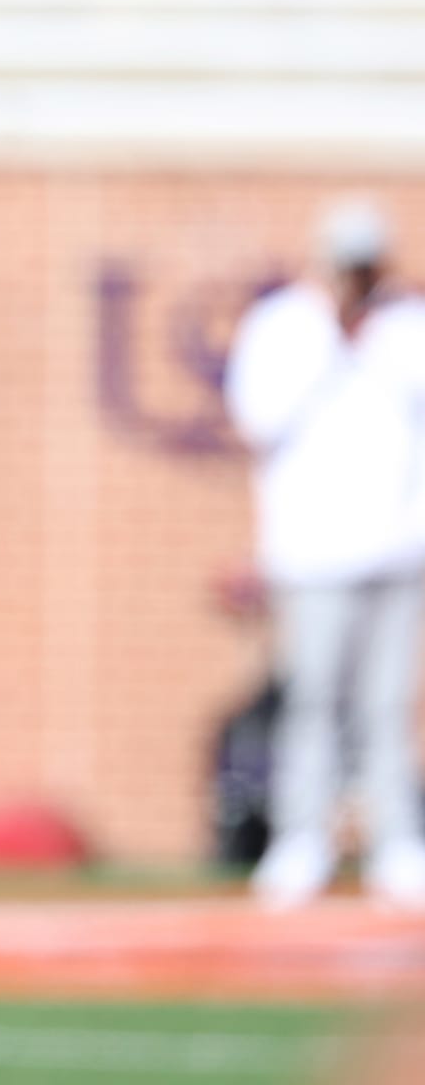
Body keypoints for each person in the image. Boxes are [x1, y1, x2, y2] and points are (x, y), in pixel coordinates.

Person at [223, 197, 425, 911]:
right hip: (313, 553)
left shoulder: (407, 327)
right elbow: (259, 419)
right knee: (313, 701)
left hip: (399, 549)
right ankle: (301, 840)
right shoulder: (284, 328)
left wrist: (375, 335)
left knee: (387, 706)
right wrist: (332, 341)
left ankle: (396, 843)